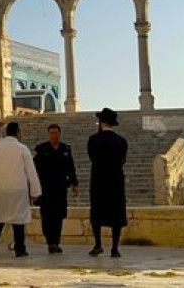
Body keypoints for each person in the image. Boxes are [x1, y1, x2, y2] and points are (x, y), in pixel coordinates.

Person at [0, 122, 41, 258]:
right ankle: (20, 249)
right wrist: (35, 192)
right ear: (18, 132)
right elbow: (31, 172)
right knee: (19, 220)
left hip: (0, 189)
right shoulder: (22, 149)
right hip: (18, 189)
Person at [88, 108, 128, 258]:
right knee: (116, 215)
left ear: (101, 122)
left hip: (98, 181)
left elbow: (92, 158)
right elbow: (123, 160)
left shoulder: (93, 140)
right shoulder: (121, 141)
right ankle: (115, 248)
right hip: (116, 182)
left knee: (97, 213)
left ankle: (98, 244)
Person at [34, 124, 79, 254]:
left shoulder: (66, 149)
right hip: (46, 189)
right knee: (47, 216)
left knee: (59, 216)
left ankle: (56, 242)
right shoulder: (41, 149)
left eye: (56, 133)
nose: (54, 135)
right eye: (51, 133)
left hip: (60, 188)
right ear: (48, 134)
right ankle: (50, 242)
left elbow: (71, 167)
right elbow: (34, 167)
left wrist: (74, 184)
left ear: (60, 134)